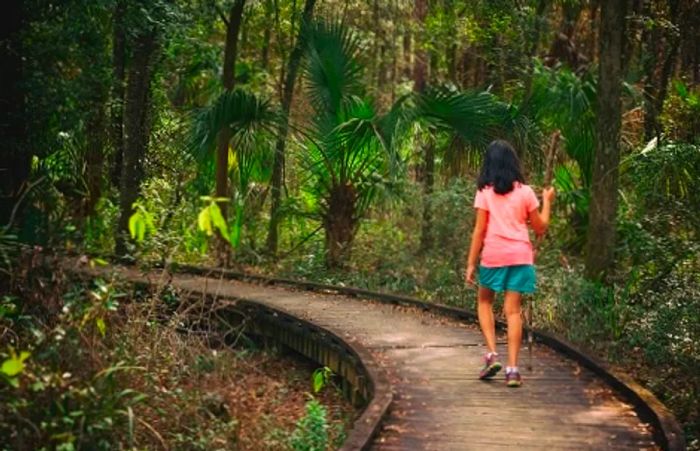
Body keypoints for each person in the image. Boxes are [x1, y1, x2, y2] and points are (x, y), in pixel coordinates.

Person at [464, 140, 555, 387]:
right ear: (514, 163)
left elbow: (479, 230)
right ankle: (513, 370)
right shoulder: (525, 193)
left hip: (494, 255)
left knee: (484, 301)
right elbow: (541, 227)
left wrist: (471, 263)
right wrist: (547, 200)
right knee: (513, 311)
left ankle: (492, 354)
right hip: (520, 256)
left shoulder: (485, 193)